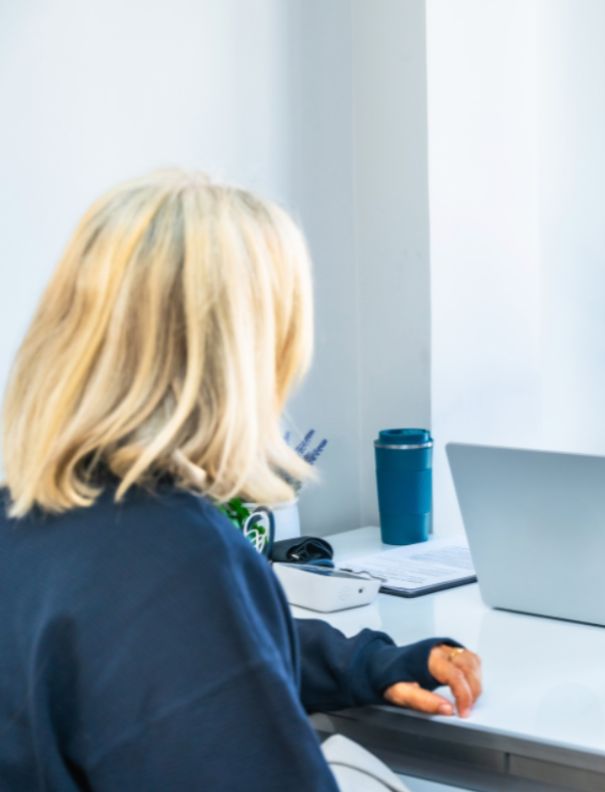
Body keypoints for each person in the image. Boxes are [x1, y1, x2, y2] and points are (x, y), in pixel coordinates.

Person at [0, 171, 482, 790]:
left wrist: (366, 663)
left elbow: (179, 660)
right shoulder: (172, 558)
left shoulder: (33, 515)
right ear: (242, 353)